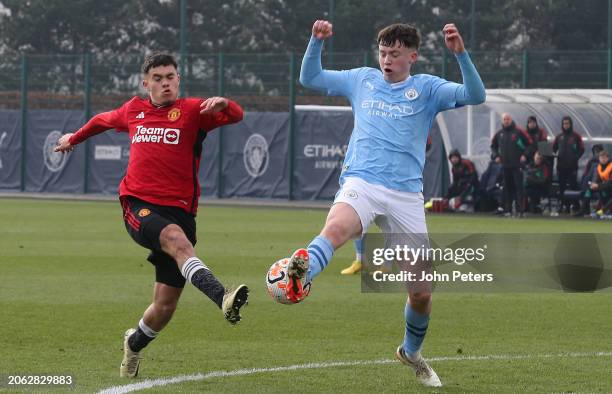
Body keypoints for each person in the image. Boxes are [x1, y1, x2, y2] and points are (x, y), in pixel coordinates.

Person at [285, 20, 485, 387]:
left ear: (413, 55)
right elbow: (310, 78)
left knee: (421, 292)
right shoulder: (362, 79)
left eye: (394, 53)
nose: (387, 59)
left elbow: (476, 95)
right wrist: (315, 40)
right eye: (383, 52)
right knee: (337, 229)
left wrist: (461, 55)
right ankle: (299, 277)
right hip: (362, 180)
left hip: (406, 196)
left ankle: (411, 352)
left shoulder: (427, 88)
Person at [54, 52, 249, 378]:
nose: (165, 82)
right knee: (176, 241)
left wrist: (224, 104)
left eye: (170, 76)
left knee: (164, 307)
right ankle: (223, 296)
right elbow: (102, 120)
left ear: (178, 80)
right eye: (158, 78)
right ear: (146, 84)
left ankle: (135, 343)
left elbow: (237, 116)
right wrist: (73, 139)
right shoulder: (134, 110)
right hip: (139, 205)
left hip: (182, 212)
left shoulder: (191, 111)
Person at [490, 113, 532, 217]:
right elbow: (493, 146)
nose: (506, 121)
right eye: (504, 119)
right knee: (507, 188)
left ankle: (520, 210)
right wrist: (496, 156)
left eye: (508, 119)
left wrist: (525, 156)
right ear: (502, 121)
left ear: (511, 120)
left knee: (519, 188)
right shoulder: (499, 134)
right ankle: (507, 210)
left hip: (517, 165)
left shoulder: (518, 132)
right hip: (505, 165)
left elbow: (530, 144)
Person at [552, 116, 584, 213]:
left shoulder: (576, 136)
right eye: (564, 123)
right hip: (561, 166)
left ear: (570, 124)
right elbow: (553, 148)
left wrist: (575, 158)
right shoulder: (559, 137)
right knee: (562, 187)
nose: (566, 125)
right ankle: (564, 205)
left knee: (573, 186)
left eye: (567, 123)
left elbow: (582, 149)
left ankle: (575, 205)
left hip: (572, 166)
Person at [577, 144, 604, 216]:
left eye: (598, 151)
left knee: (603, 194)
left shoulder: (607, 163)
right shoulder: (591, 162)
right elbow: (586, 174)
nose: (597, 153)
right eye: (595, 151)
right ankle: (585, 210)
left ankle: (599, 210)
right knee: (588, 192)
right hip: (594, 185)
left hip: (603, 185)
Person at [590, 150, 612, 216]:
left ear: (607, 158)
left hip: (609, 186)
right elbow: (597, 179)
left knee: (602, 189)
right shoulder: (598, 167)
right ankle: (584, 210)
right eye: (601, 158)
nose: (603, 159)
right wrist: (594, 184)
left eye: (604, 158)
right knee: (589, 190)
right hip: (606, 187)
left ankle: (603, 211)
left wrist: (598, 185)